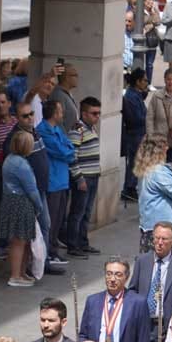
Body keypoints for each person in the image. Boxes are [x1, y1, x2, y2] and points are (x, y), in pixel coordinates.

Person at [0, 130, 50, 288]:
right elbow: (32, 189)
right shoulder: (21, 165)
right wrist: (39, 206)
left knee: (24, 240)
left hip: (12, 201)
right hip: (20, 203)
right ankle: (15, 275)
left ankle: (21, 273)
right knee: (19, 241)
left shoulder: (10, 159)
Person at [135, 141, 172, 251]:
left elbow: (163, 186)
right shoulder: (157, 170)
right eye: (163, 147)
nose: (167, 149)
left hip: (155, 227)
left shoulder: (150, 168)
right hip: (164, 230)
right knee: (169, 261)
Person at [36, 101, 75, 264]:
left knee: (59, 219)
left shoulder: (57, 129)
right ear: (54, 113)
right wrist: (69, 151)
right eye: (60, 111)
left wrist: (69, 151)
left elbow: (70, 147)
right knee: (50, 220)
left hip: (62, 180)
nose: (63, 114)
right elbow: (63, 151)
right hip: (52, 181)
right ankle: (48, 252)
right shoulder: (43, 131)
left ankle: (53, 249)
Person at [66, 97, 103, 256]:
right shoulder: (77, 130)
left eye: (99, 113)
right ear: (84, 113)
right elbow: (72, 157)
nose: (97, 116)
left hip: (93, 176)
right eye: (94, 113)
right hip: (84, 178)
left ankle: (83, 242)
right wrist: (79, 178)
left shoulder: (91, 128)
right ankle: (73, 245)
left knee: (87, 212)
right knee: (78, 212)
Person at [121, 72, 149, 201]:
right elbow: (137, 117)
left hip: (138, 133)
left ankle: (131, 187)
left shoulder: (136, 94)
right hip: (135, 134)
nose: (146, 83)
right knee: (134, 162)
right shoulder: (131, 96)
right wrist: (149, 118)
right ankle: (129, 188)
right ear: (137, 82)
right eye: (144, 80)